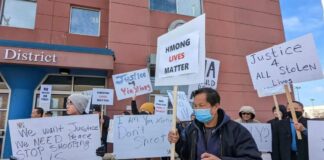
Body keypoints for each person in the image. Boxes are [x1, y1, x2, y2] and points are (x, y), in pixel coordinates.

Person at [168, 88, 262, 160]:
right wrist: (177, 141)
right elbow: (184, 154)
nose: (197, 109)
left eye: (201, 106)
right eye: (195, 106)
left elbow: (253, 158)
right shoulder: (191, 129)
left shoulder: (237, 131)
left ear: (216, 107)